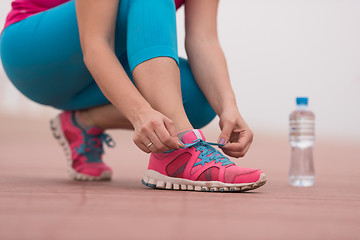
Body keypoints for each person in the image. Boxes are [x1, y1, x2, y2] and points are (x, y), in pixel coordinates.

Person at [0, 0, 266, 192]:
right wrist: (140, 112)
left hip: (101, 65)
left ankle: (82, 123)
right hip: (34, 54)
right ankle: (181, 150)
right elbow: (95, 45)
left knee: (199, 98)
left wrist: (228, 107)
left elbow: (203, 39)